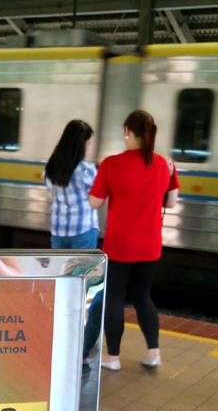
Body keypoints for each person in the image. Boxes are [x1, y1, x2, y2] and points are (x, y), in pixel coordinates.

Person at [89, 109, 179, 371]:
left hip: (119, 244)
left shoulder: (111, 164)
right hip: (149, 245)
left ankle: (112, 358)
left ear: (127, 131)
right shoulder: (165, 164)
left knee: (115, 297)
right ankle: (153, 353)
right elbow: (171, 203)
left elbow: (94, 202)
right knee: (142, 297)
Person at [43, 120, 98, 249]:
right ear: (80, 144)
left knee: (60, 263)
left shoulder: (51, 167)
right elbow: (97, 197)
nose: (88, 146)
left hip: (58, 230)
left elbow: (52, 190)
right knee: (82, 264)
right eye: (87, 142)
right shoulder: (86, 169)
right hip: (83, 229)